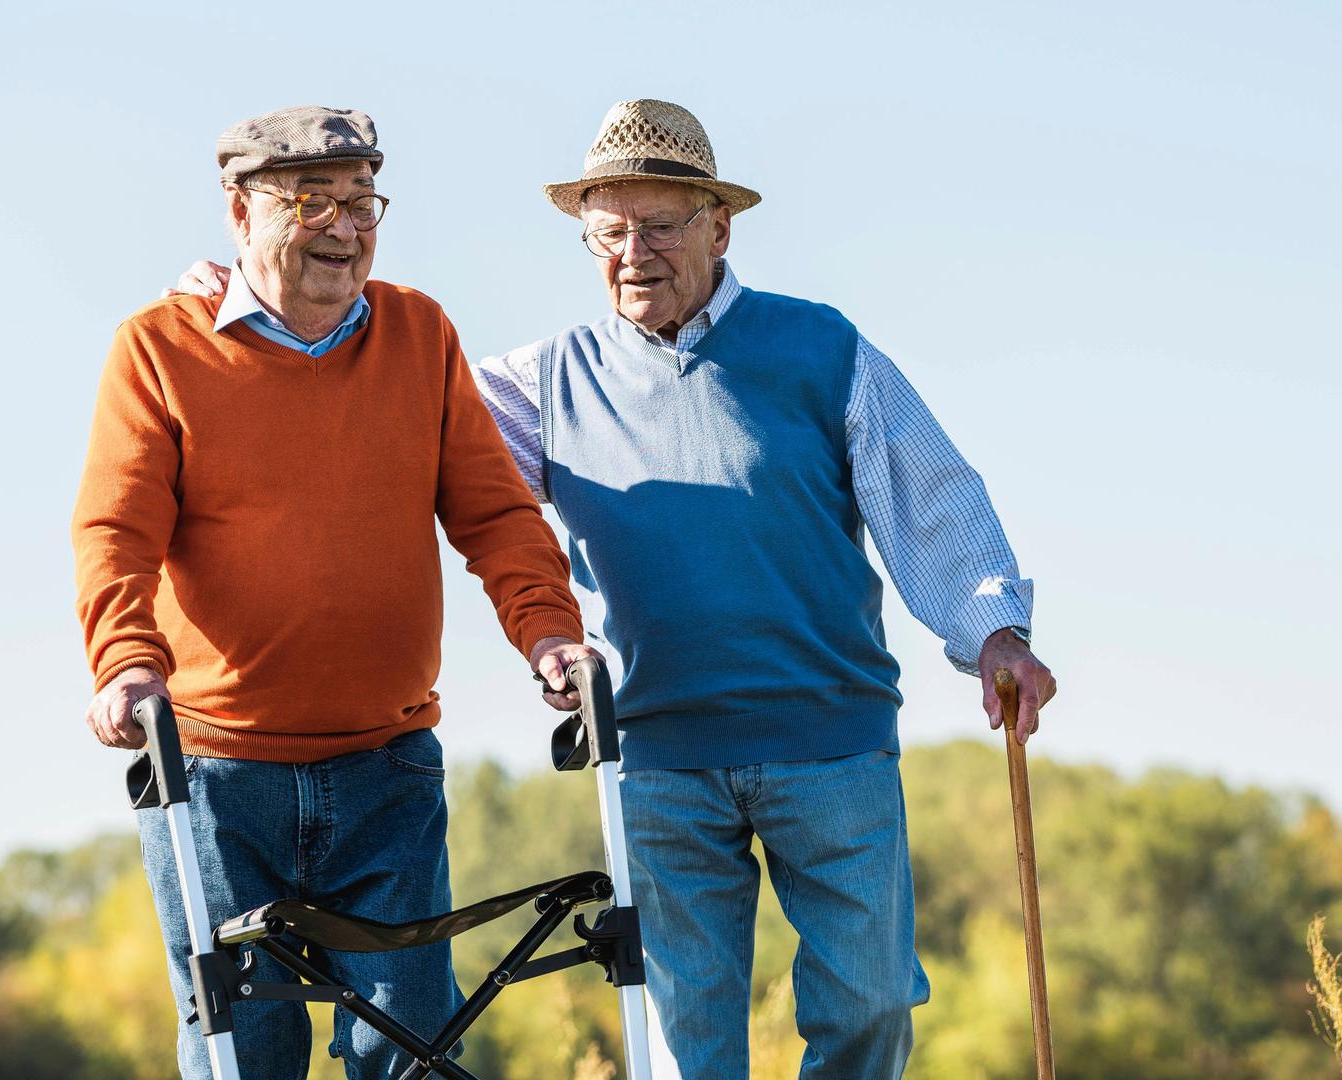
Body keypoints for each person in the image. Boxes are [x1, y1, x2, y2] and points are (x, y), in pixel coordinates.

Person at [169, 99, 1056, 1080]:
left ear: (720, 227)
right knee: (687, 1048)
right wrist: (252, 292)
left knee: (872, 1008)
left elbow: (928, 494)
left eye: (662, 226)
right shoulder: (543, 382)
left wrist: (997, 633)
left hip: (829, 742)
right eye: (608, 230)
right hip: (658, 760)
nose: (633, 251)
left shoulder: (821, 350)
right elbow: (397, 400)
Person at [73, 104, 591, 1080]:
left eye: (363, 202)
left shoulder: (419, 333)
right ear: (240, 212)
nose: (347, 228)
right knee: (244, 1054)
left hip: (386, 774)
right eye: (313, 200)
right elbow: (114, 528)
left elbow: (495, 514)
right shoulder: (158, 347)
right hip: (214, 782)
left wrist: (549, 635)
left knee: (415, 1052)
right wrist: (127, 662)